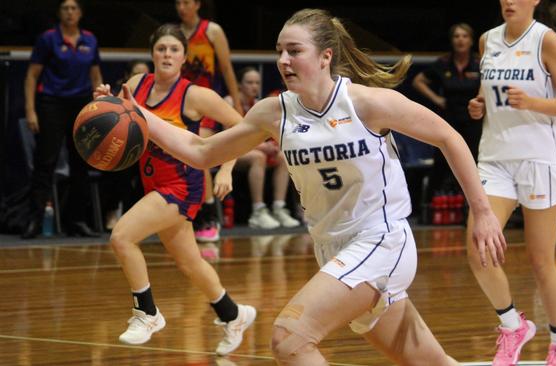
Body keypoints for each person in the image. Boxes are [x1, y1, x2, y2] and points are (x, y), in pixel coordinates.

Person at [124, 9, 506, 365]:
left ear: (325, 57)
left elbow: (449, 137)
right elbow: (201, 151)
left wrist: (484, 212)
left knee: (288, 338)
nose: (284, 61)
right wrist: (138, 114)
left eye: (295, 51)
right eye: (280, 52)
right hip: (332, 247)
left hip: (382, 240)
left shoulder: (367, 103)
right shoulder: (274, 113)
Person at [93, 24, 255, 356]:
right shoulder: (138, 85)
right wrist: (104, 103)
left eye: (174, 49)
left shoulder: (195, 95)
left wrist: (226, 168)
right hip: (153, 182)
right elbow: (122, 119)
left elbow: (242, 126)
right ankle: (233, 314)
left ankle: (146, 313)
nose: (167, 54)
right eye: (161, 49)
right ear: (153, 53)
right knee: (190, 262)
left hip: (182, 186)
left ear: (184, 56)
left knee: (121, 237)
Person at [466, 1, 556, 365]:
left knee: (540, 260)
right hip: (495, 159)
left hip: (538, 159)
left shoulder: (546, 41)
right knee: (479, 246)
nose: (508, 1)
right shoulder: (487, 41)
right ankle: (512, 324)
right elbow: (490, 92)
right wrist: (480, 104)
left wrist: (533, 102)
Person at [22, 0, 103, 239]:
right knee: (45, 163)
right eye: (65, 8)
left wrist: (99, 108)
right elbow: (31, 75)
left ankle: (76, 221)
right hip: (51, 103)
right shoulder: (48, 38)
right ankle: (34, 221)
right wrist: (30, 110)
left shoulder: (90, 39)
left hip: (81, 105)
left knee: (81, 164)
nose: (70, 12)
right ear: (60, 13)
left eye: (74, 8)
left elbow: (96, 76)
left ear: (80, 13)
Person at [176, 0, 243, 242]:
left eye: (186, 2)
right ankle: (184, 212)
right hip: (179, 103)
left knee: (199, 152)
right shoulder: (174, 35)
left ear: (196, 4)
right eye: (178, 3)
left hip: (206, 104)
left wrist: (236, 104)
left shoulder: (212, 31)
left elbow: (226, 69)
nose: (181, 7)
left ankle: (208, 214)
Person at [225, 67, 300, 229]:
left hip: (251, 148)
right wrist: (261, 147)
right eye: (249, 82)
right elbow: (231, 137)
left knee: (282, 156)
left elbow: (265, 134)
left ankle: (279, 208)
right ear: (239, 85)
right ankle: (258, 211)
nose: (254, 86)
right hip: (229, 152)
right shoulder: (230, 101)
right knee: (258, 157)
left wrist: (271, 145)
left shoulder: (258, 104)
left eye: (257, 83)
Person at [412, 23, 482, 196]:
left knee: (474, 162)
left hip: (473, 121)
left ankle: (471, 206)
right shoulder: (443, 63)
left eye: (464, 36)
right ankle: (429, 207)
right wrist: (437, 99)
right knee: (442, 162)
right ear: (451, 40)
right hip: (449, 119)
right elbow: (418, 81)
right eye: (456, 36)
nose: (460, 40)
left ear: (471, 40)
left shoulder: (480, 63)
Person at [102, 60, 151, 231]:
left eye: (144, 75)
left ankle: (140, 216)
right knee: (118, 168)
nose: (140, 78)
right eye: (136, 74)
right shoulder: (118, 98)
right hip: (121, 149)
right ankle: (112, 211)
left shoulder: (154, 98)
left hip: (147, 151)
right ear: (127, 77)